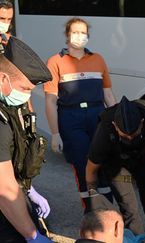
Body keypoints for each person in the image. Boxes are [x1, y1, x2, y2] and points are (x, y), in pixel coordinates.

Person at [44, 17, 117, 210]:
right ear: (67, 35)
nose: (79, 36)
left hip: (97, 115)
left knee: (102, 161)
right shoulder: (55, 62)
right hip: (70, 118)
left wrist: (118, 120)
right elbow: (51, 100)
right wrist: (55, 133)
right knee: (82, 164)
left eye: (83, 32)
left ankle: (107, 211)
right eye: (75, 32)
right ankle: (91, 212)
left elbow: (108, 94)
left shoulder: (98, 59)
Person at [86, 96, 145, 243]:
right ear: (115, 126)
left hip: (142, 157)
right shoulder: (105, 132)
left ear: (141, 124)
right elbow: (91, 169)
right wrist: (92, 194)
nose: (130, 139)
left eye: (134, 135)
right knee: (130, 210)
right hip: (116, 164)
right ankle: (136, 240)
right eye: (125, 136)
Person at [0, 36, 53, 242]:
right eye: (25, 89)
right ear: (4, 79)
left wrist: (29, 189)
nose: (27, 96)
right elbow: (4, 188)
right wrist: (32, 236)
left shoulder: (11, 106)